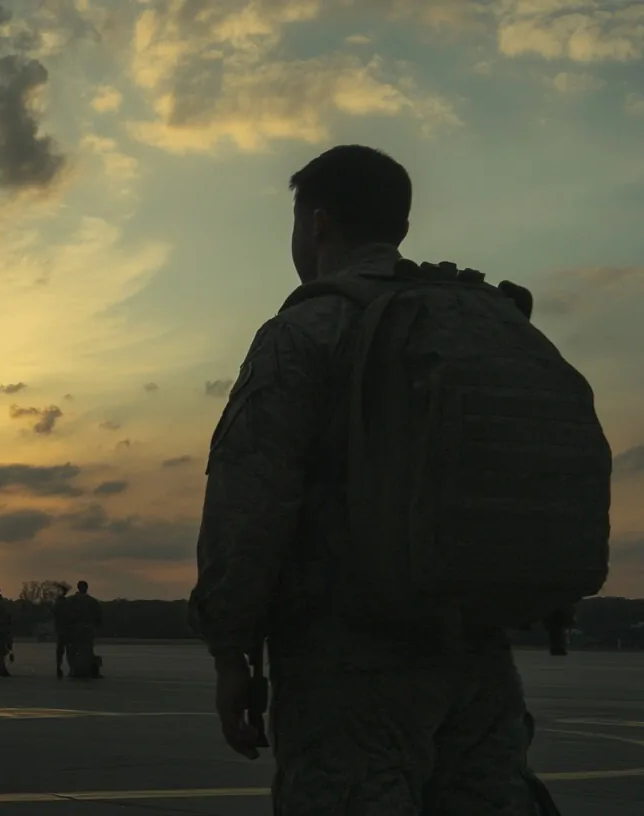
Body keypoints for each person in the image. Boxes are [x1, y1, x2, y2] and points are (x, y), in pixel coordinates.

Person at [188, 145, 611, 814]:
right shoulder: (479, 320)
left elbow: (250, 503)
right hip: (480, 655)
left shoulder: (306, 331)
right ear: (401, 229)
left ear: (317, 222)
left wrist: (229, 653)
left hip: (350, 665)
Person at [67, 580, 103, 679]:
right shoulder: (92, 601)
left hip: (75, 628)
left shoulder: (71, 601)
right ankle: (89, 670)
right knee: (87, 650)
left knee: (74, 650)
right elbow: (98, 616)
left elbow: (66, 615)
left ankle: (74, 670)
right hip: (87, 628)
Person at [52, 582, 72, 678]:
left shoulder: (58, 603)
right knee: (68, 650)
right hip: (67, 629)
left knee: (60, 650)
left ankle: (58, 667)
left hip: (61, 629)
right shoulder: (67, 603)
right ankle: (70, 668)